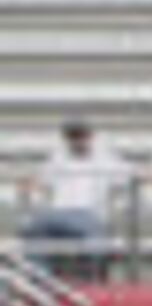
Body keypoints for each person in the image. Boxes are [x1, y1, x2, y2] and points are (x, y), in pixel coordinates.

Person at [18, 118, 140, 280]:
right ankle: (41, 281)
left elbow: (133, 175)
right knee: (33, 230)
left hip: (88, 215)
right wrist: (29, 185)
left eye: (80, 135)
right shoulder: (58, 158)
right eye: (72, 137)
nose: (76, 141)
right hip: (58, 213)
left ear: (90, 136)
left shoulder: (106, 159)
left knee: (93, 239)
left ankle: (90, 280)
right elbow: (37, 180)